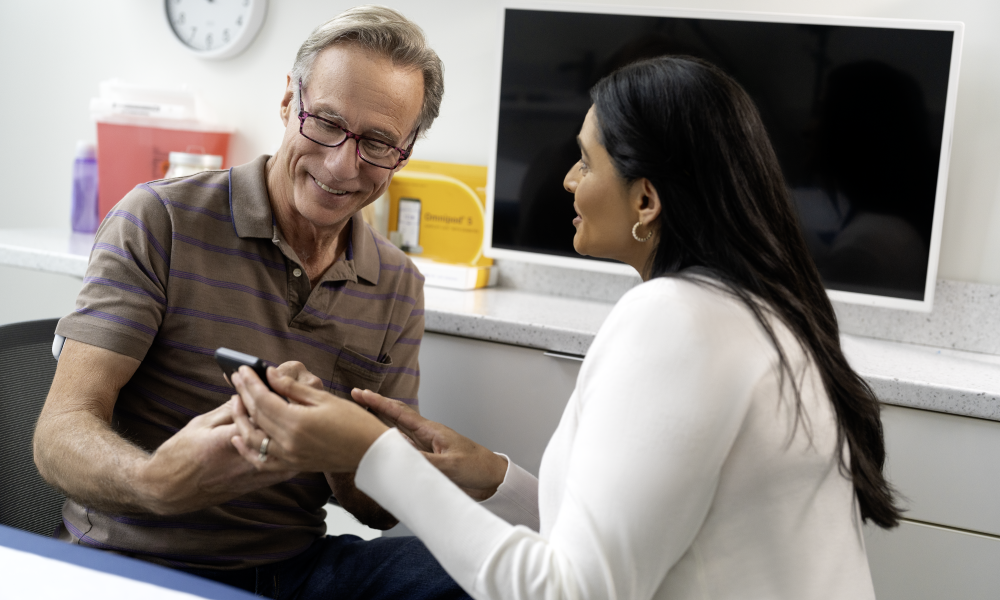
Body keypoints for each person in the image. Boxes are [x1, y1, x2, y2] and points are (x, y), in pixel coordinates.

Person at [228, 56, 901, 599]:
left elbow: (570, 591)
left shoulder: (676, 319)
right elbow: (634, 531)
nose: (568, 180)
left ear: (647, 198)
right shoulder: (756, 310)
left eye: (586, 159)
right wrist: (492, 476)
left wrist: (372, 452)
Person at [34, 6, 469, 599]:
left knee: (478, 573)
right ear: (290, 102)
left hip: (294, 568)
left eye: (377, 143)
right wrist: (155, 480)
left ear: (406, 149)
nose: (343, 165)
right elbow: (59, 433)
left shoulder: (397, 284)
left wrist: (341, 444)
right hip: (136, 559)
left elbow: (376, 512)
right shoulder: (159, 219)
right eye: (326, 123)